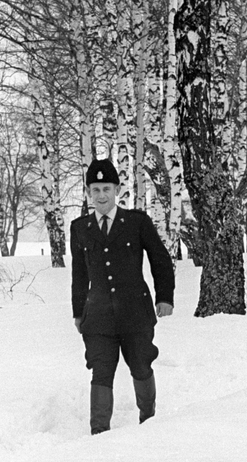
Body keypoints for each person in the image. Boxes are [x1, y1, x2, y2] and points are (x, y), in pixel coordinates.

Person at [71, 158, 175, 435]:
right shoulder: (80, 228)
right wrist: (78, 312)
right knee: (101, 371)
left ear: (117, 190)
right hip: (99, 317)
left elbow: (160, 260)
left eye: (106, 189)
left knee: (141, 364)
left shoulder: (136, 222)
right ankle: (99, 432)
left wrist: (164, 297)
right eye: (95, 190)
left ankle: (149, 420)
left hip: (135, 314)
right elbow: (79, 274)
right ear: (88, 193)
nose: (101, 195)